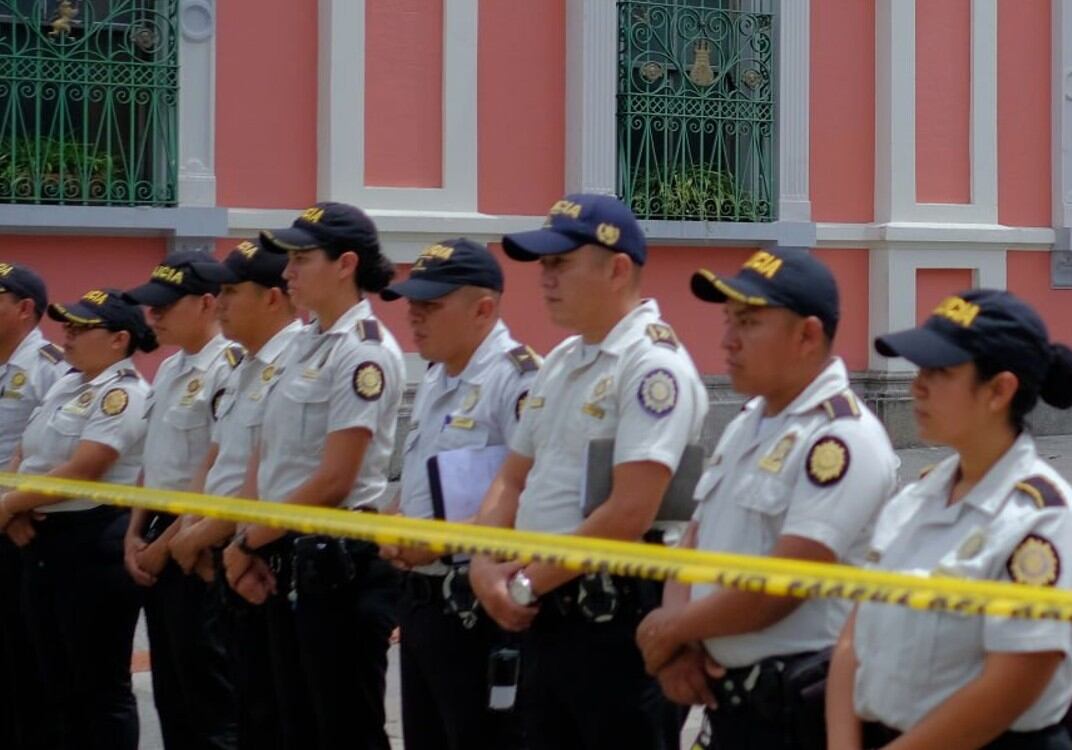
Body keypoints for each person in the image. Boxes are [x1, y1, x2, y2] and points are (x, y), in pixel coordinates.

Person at [633, 248, 897, 750]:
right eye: (729, 320)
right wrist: (680, 646)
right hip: (733, 702)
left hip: (799, 712)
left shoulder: (841, 439)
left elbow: (788, 578)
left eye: (749, 323)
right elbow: (695, 541)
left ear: (807, 335)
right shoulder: (749, 424)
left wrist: (672, 629)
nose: (727, 340)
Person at [470, 193, 708, 750]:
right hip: (547, 611)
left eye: (560, 263)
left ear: (617, 268)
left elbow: (630, 511)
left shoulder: (652, 366)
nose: (545, 279)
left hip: (613, 621)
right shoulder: (562, 361)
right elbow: (512, 477)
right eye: (543, 266)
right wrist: (483, 563)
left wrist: (524, 582)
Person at [826, 289, 1072, 750]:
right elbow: (853, 639)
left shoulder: (1044, 522)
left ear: (998, 390)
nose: (916, 385)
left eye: (940, 372)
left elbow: (1007, 691)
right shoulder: (915, 499)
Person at [222, 203, 405, 750]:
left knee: (342, 727)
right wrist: (247, 538)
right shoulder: (302, 344)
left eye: (302, 258)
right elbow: (267, 453)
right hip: (283, 553)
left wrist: (249, 539)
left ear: (346, 263)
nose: (287, 272)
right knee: (288, 722)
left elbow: (336, 479)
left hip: (338, 564)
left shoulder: (364, 351)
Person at [377, 238, 537, 750]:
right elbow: (428, 477)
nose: (414, 318)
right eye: (412, 306)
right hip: (423, 603)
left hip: (478, 606)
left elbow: (531, 506)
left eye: (431, 306)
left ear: (483, 309)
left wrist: (439, 542)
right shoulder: (437, 375)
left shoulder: (518, 380)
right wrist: (397, 524)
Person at [0, 288, 157, 750]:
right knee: (51, 678)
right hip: (43, 543)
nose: (67, 336)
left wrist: (9, 507)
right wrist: (13, 507)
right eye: (67, 326)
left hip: (91, 546)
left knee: (98, 686)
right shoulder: (68, 384)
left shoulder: (122, 394)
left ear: (118, 340)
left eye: (81, 328)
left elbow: (84, 469)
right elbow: (23, 455)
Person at [166, 239, 305, 750]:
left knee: (258, 711)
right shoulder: (246, 366)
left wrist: (213, 537)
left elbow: (269, 471)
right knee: (235, 706)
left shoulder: (294, 362)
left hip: (261, 553)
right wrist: (192, 531)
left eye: (230, 291)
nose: (218, 302)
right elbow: (218, 458)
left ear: (272, 298)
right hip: (219, 546)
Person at [121, 248, 241, 750]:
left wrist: (166, 543)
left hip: (196, 540)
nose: (154, 317)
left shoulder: (228, 367)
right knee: (170, 693)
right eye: (152, 306)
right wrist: (133, 533)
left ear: (207, 304)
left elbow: (215, 470)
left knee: (209, 693)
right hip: (157, 535)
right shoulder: (170, 368)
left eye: (166, 306)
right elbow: (157, 459)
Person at [0, 261, 69, 750]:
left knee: (25, 655)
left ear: (24, 309)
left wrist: (15, 509)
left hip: (20, 527)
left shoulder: (49, 366)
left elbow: (55, 447)